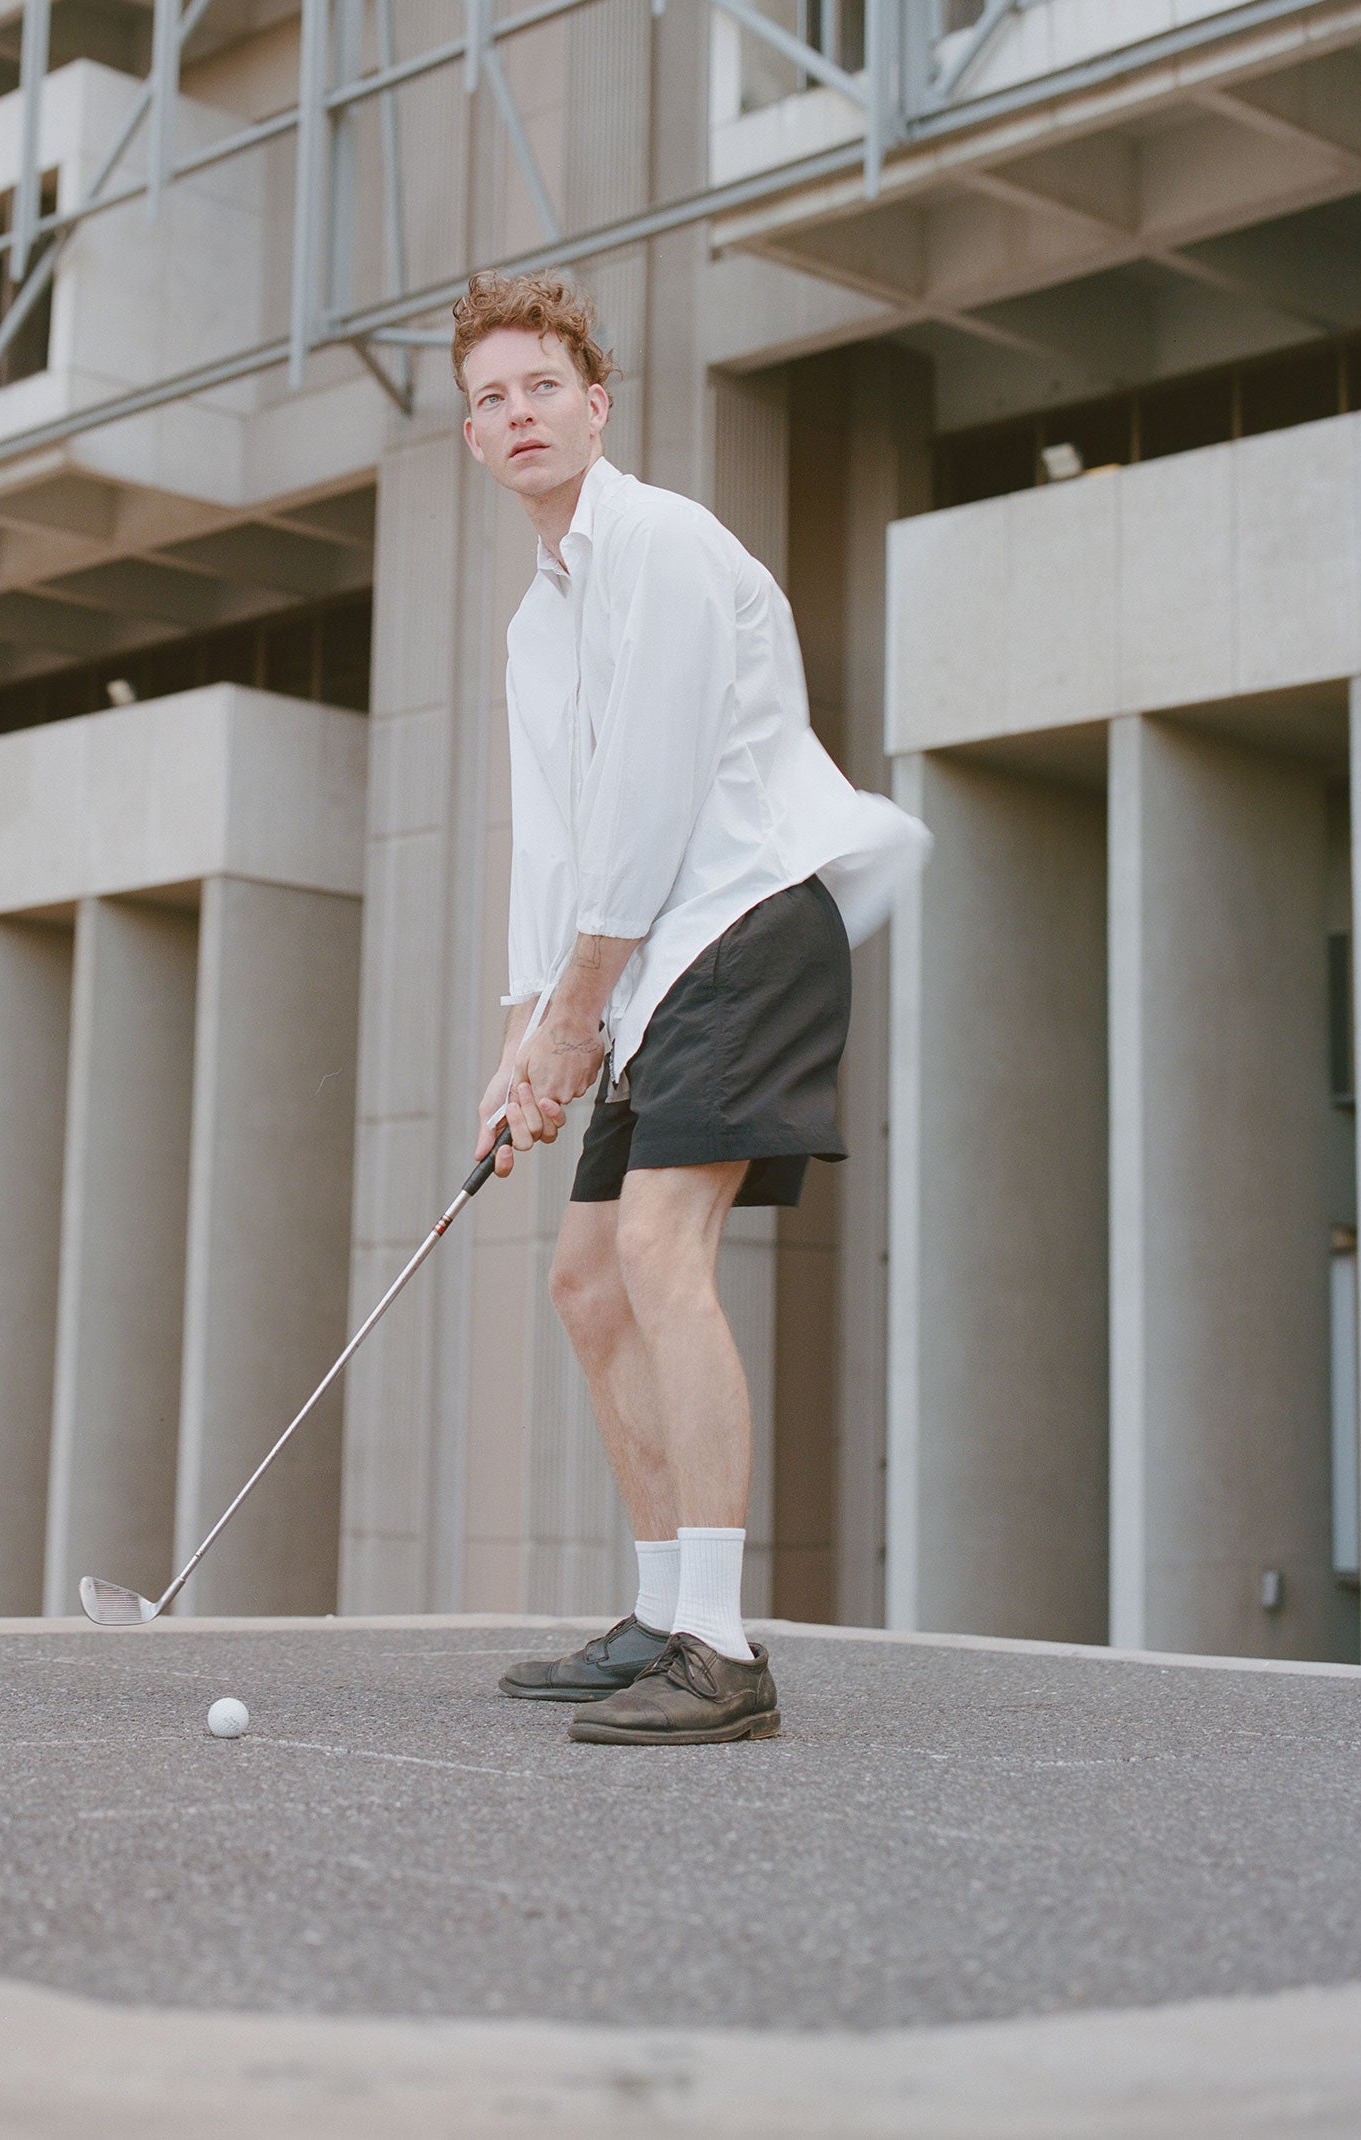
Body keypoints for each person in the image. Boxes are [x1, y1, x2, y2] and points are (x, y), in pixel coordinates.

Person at [457, 269, 929, 1747]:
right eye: (490, 399)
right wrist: (521, 1038)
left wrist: (573, 1022)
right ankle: (664, 1612)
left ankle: (722, 1651)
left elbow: (652, 804)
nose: (520, 415)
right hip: (648, 962)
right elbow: (555, 845)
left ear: (596, 405)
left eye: (543, 387)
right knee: (585, 1281)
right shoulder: (534, 625)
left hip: (746, 920)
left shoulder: (661, 542)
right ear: (471, 436)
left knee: (659, 1249)